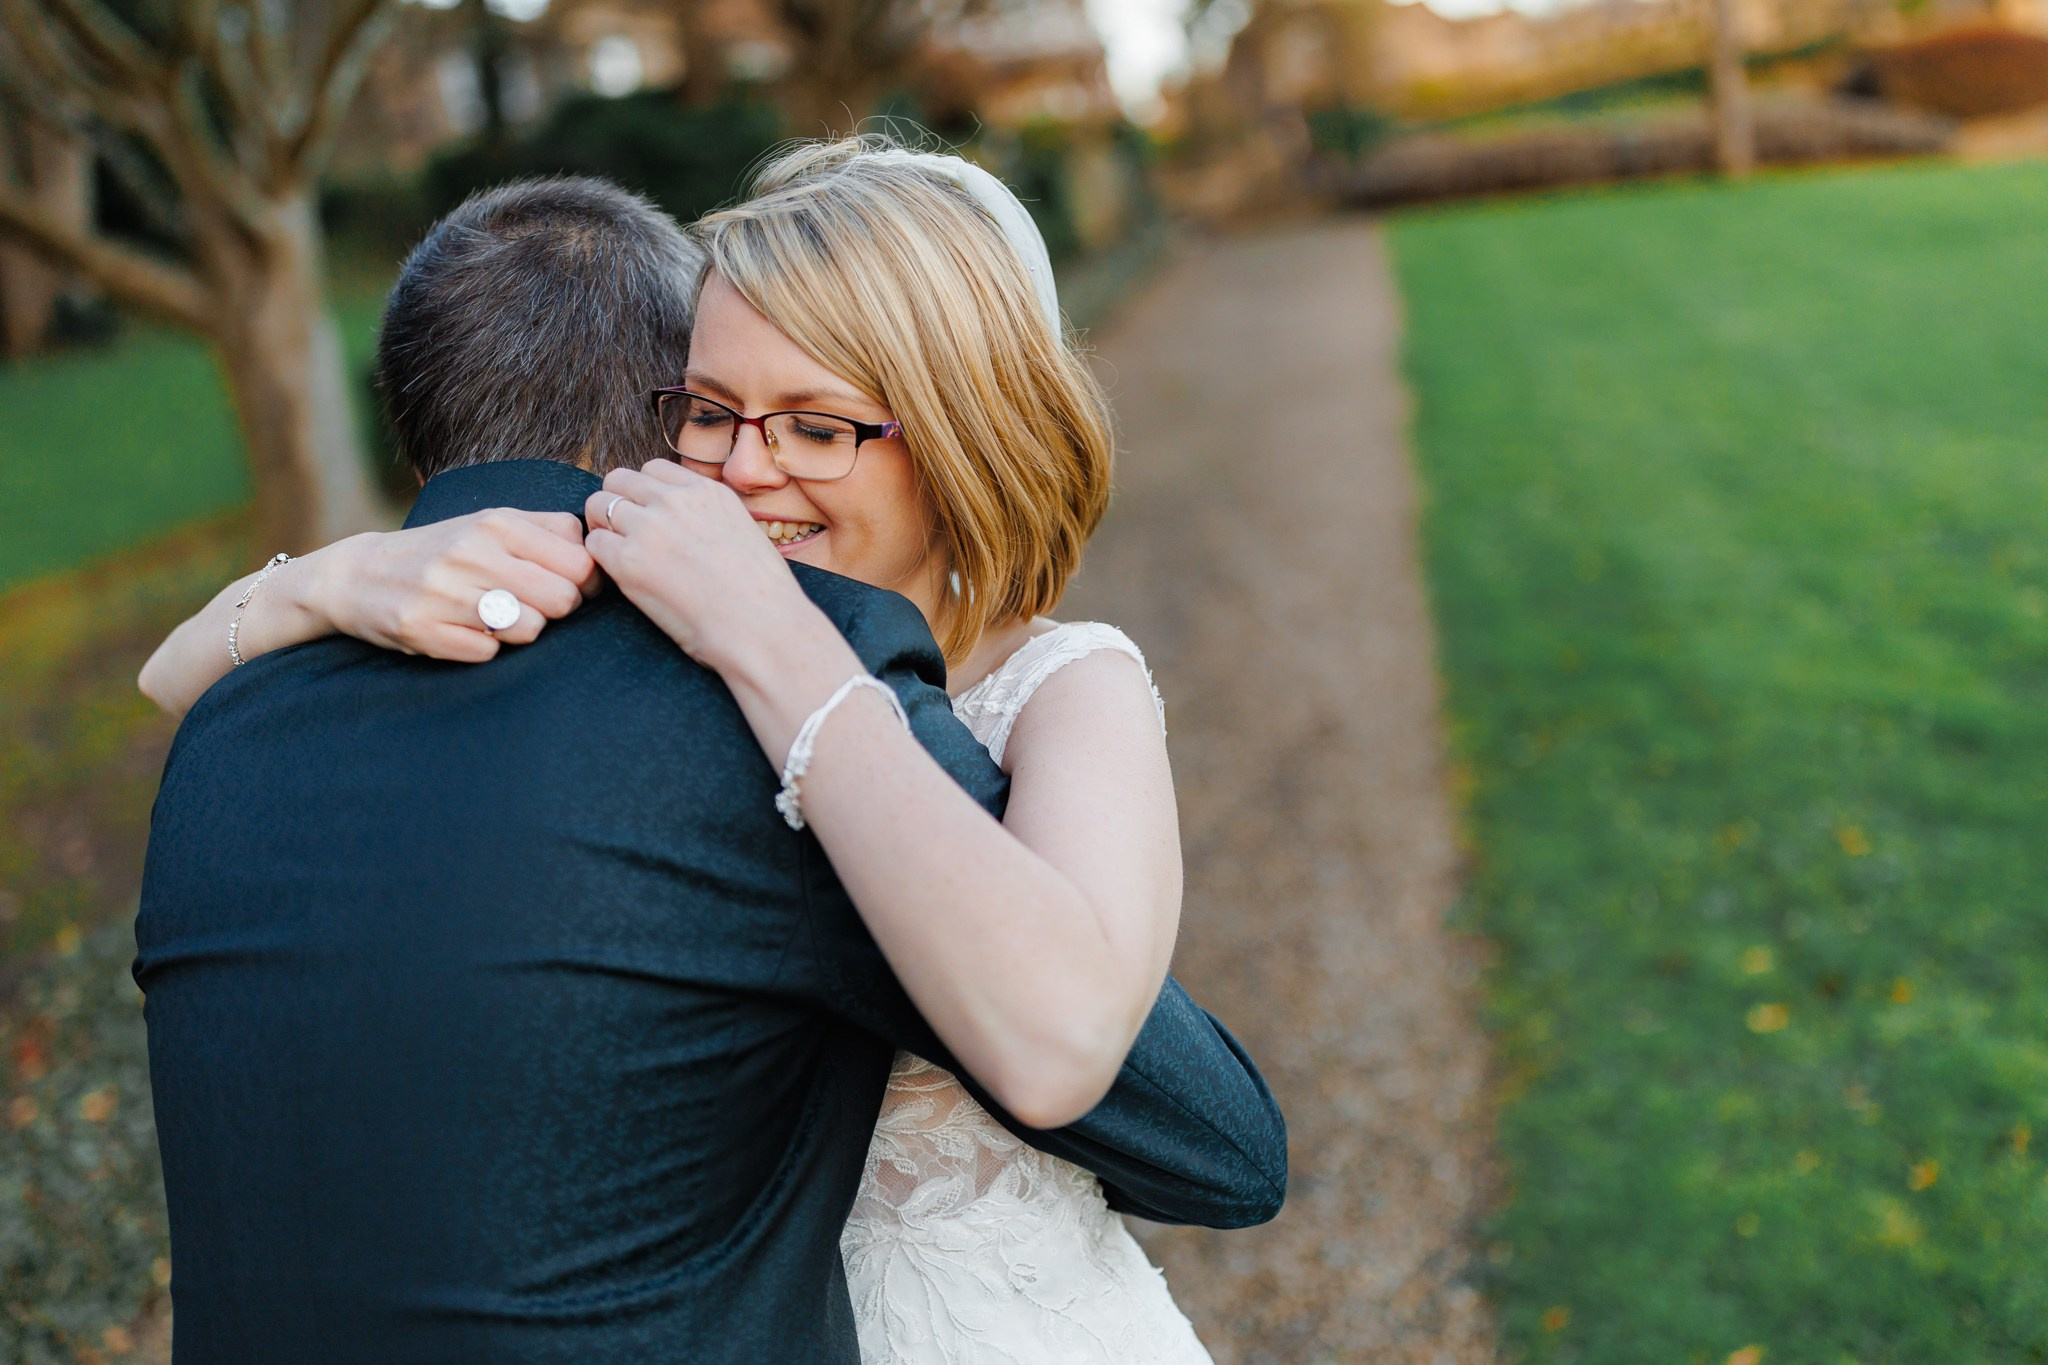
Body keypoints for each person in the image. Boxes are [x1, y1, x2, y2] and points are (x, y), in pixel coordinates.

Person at [140, 148, 1278, 1363]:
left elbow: (1140, 1092)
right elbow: (171, 681)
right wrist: (332, 575)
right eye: (710, 412)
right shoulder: (687, 687)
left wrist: (773, 634)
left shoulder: (1065, 688)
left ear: (961, 436)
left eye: (816, 425)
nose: (740, 469)